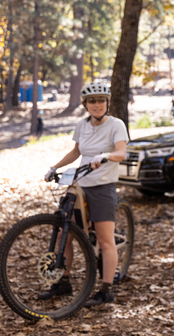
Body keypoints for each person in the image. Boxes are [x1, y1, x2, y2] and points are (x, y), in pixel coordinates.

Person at [42, 81, 128, 307]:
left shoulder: (116, 125)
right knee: (64, 234)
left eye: (100, 100)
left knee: (104, 240)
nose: (97, 104)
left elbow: (121, 152)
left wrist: (107, 156)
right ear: (85, 104)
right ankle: (63, 282)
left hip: (103, 185)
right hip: (80, 183)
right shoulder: (82, 125)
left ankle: (106, 290)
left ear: (107, 103)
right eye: (92, 101)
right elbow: (76, 151)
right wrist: (55, 167)